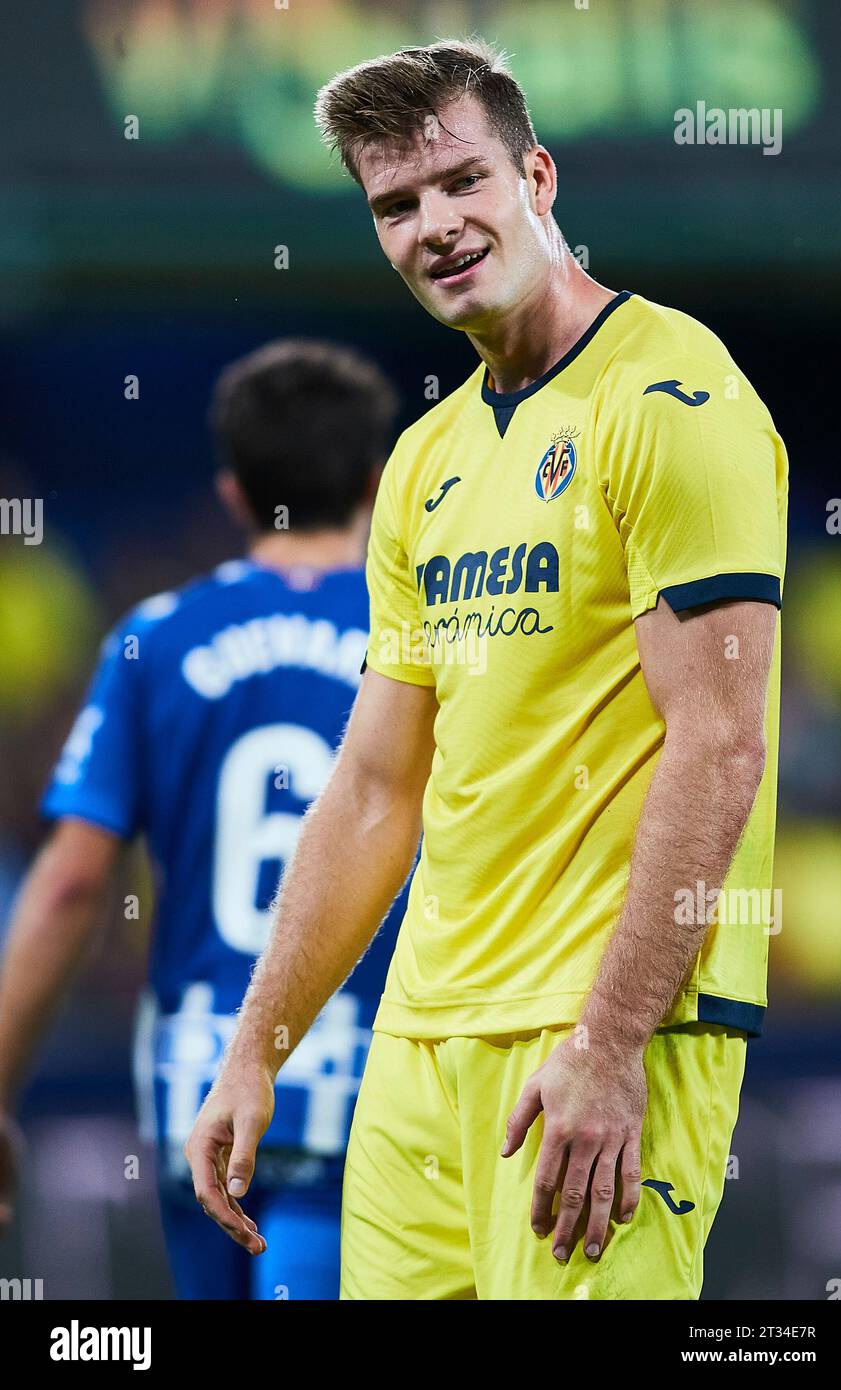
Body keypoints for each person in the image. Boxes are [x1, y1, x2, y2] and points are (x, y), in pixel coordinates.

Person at [185, 40, 788, 1300]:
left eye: (462, 181)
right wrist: (257, 1048)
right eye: (395, 205)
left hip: (601, 1034)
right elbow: (371, 789)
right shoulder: (421, 462)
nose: (436, 226)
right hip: (421, 1047)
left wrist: (611, 1042)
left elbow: (720, 740)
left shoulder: (670, 395)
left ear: (537, 176)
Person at [0, 338, 404, 1300]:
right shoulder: (416, 636)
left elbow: (69, 881)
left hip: (196, 1096)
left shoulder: (155, 637)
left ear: (234, 493)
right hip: (369, 1093)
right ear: (378, 480)